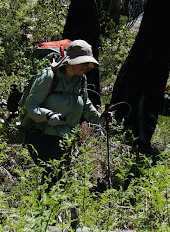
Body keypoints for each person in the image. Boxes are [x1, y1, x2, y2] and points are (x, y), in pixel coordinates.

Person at [21, 39, 110, 177]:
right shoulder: (49, 76)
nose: (85, 67)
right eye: (82, 62)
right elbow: (31, 105)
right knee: (54, 174)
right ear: (71, 61)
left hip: (66, 138)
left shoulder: (81, 80)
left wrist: (100, 118)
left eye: (87, 63)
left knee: (63, 179)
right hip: (41, 134)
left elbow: (85, 104)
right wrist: (48, 115)